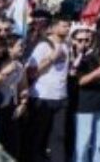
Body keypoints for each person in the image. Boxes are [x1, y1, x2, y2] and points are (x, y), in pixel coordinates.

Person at [28, 17, 72, 162]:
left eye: (68, 26)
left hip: (61, 96)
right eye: (64, 25)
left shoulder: (67, 45)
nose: (67, 28)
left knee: (59, 136)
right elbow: (31, 71)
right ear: (53, 28)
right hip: (42, 96)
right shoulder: (43, 46)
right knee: (39, 136)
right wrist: (51, 58)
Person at [72, 28, 100, 162]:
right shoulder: (76, 58)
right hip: (84, 105)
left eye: (87, 39)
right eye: (80, 40)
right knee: (83, 142)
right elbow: (80, 81)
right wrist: (99, 72)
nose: (84, 42)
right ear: (74, 41)